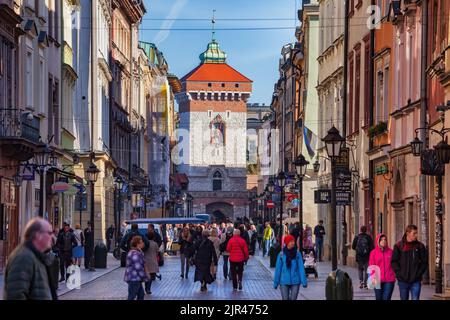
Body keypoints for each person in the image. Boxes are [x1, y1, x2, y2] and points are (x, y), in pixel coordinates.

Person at [4, 217, 58, 300]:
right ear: (38, 235)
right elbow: (16, 294)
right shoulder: (23, 258)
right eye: (50, 233)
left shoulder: (37, 257)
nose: (53, 237)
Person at [391, 225, 428, 300]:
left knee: (415, 298)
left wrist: (418, 273)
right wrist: (399, 274)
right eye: (414, 233)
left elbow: (424, 262)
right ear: (408, 233)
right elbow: (394, 261)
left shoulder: (420, 246)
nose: (416, 235)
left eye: (416, 233)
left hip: (416, 280)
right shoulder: (398, 246)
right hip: (403, 280)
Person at [273, 235, 307, 300]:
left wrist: (304, 281)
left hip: (295, 281)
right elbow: (278, 270)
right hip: (284, 281)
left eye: (293, 241)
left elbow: (301, 268)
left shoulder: (297, 254)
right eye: (291, 241)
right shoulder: (281, 254)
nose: (293, 243)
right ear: (287, 242)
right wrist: (276, 283)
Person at [368, 234, 396, 300]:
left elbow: (395, 264)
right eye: (381, 240)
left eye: (385, 239)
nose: (383, 241)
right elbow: (371, 266)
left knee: (386, 298)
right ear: (378, 241)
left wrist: (394, 274)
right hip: (377, 280)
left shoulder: (391, 252)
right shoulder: (373, 253)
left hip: (389, 279)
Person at [124, 235, 148, 300]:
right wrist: (145, 276)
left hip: (136, 278)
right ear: (138, 244)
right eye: (141, 242)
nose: (143, 243)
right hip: (134, 278)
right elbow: (138, 267)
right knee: (132, 296)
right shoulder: (135, 254)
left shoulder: (137, 252)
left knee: (141, 295)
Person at [144, 228, 160, 295]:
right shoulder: (155, 244)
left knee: (146, 276)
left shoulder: (145, 244)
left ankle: (146, 288)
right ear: (153, 237)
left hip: (146, 261)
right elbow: (157, 252)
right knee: (150, 276)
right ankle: (148, 289)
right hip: (153, 261)